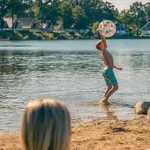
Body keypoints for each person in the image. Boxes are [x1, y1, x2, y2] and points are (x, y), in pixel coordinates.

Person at [96, 30, 122, 105]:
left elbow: (107, 63)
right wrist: (100, 33)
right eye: (102, 43)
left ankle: (104, 99)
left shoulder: (103, 53)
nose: (104, 43)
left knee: (109, 87)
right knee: (115, 87)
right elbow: (104, 39)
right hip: (109, 71)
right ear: (101, 46)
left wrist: (116, 67)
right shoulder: (103, 51)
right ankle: (105, 99)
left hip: (105, 71)